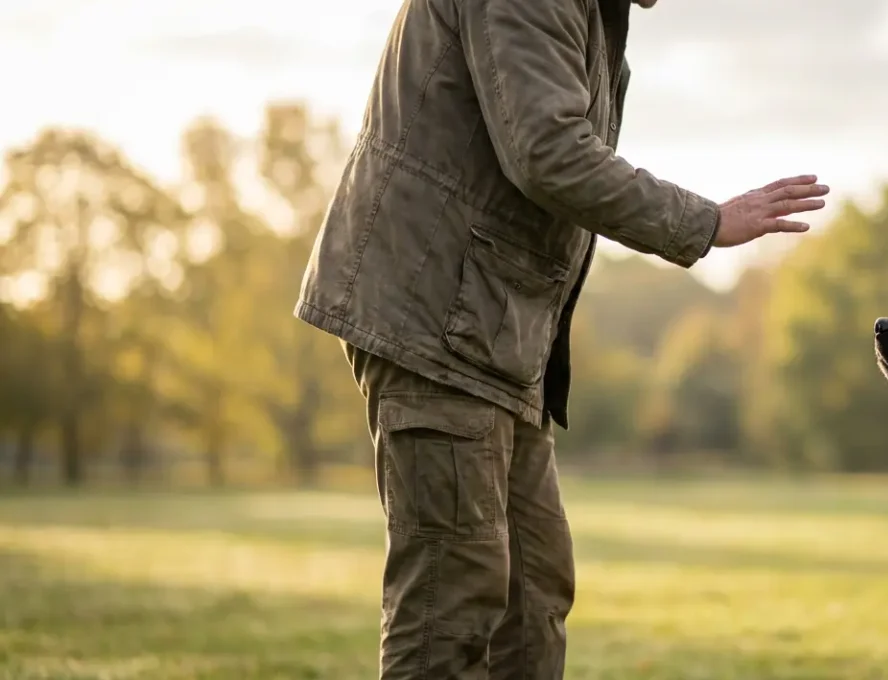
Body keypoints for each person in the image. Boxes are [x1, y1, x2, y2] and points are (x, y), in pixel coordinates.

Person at [293, 0, 829, 677]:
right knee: (449, 606)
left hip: (495, 335)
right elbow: (546, 152)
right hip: (436, 324)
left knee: (534, 593)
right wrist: (704, 222)